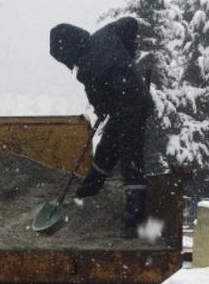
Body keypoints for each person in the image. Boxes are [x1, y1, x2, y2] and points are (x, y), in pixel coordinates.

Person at [49, 18, 154, 231]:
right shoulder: (106, 32)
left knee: (130, 159)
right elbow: (130, 23)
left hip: (131, 108)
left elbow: (99, 103)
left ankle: (134, 220)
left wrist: (102, 107)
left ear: (67, 52)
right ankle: (88, 190)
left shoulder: (86, 70)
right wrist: (127, 54)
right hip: (133, 102)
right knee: (108, 147)